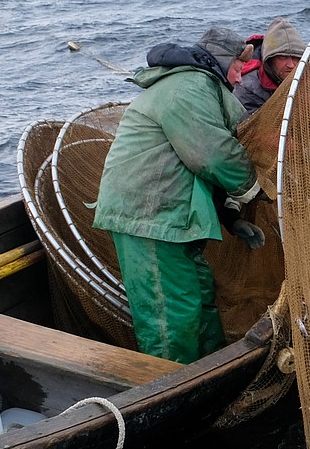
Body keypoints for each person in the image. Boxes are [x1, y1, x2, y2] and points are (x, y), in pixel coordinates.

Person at [93, 26, 266, 364]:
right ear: (218, 60)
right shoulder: (190, 87)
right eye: (236, 65)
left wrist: (231, 217)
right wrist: (257, 193)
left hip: (172, 218)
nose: (241, 75)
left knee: (198, 296)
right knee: (170, 316)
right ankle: (170, 386)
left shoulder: (200, 89)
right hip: (148, 218)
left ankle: (212, 371)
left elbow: (198, 167)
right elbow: (212, 155)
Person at [234, 17, 305, 120]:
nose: (291, 65)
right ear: (269, 60)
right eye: (283, 57)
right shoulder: (246, 88)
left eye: (296, 58)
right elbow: (248, 129)